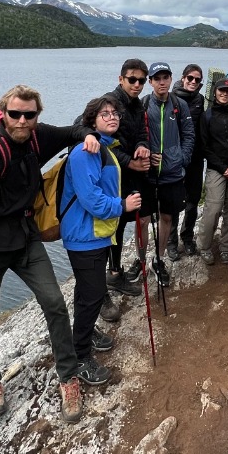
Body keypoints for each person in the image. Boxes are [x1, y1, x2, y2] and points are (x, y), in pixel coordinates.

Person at [0, 84, 100, 423]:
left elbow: (74, 129)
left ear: (37, 116)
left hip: (25, 240)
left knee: (53, 303)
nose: (22, 121)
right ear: (3, 113)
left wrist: (89, 136)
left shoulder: (37, 137)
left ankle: (68, 378)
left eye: (29, 115)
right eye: (15, 114)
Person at [61, 95, 142, 386]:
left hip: (95, 233)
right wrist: (123, 206)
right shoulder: (86, 153)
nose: (112, 117)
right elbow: (91, 199)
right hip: (85, 235)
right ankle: (79, 356)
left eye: (114, 113)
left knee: (86, 291)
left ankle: (83, 331)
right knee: (93, 293)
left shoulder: (107, 147)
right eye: (104, 114)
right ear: (90, 120)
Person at [137, 62, 196, 285]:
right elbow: (136, 135)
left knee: (167, 217)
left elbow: (189, 135)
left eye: (165, 77)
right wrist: (146, 155)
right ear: (150, 82)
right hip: (147, 174)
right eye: (157, 78)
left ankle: (158, 259)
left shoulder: (179, 105)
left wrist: (181, 159)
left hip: (172, 174)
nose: (162, 82)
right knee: (142, 220)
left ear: (171, 79)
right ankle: (140, 261)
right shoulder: (142, 105)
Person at [105, 59, 153, 300]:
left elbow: (142, 133)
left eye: (141, 81)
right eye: (132, 79)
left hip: (129, 176)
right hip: (112, 177)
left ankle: (114, 272)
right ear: (120, 78)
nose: (137, 84)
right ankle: (111, 274)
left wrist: (143, 147)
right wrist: (129, 161)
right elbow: (101, 140)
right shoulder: (109, 104)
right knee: (113, 225)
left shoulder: (136, 106)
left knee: (121, 224)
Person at [197, 76, 228, 265]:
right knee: (214, 207)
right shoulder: (207, 116)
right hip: (217, 169)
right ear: (215, 93)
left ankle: (226, 246)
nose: (224, 94)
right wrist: (223, 168)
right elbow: (204, 146)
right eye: (221, 91)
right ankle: (204, 246)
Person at [171, 64, 206, 259]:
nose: (193, 82)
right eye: (190, 78)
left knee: (193, 200)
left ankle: (187, 237)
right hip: (175, 159)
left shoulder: (200, 99)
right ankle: (171, 242)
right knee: (175, 201)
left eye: (197, 80)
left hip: (196, 158)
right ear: (183, 78)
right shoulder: (171, 98)